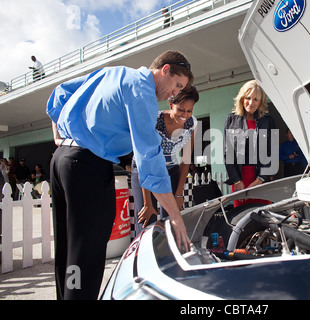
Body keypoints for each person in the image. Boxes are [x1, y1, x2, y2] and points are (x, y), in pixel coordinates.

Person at [46, 50, 193, 300]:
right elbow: (149, 157)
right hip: (86, 167)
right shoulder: (142, 91)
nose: (175, 94)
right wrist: (176, 217)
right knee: (86, 255)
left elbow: (60, 92)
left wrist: (58, 134)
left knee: (69, 250)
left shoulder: (112, 73)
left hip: (62, 161)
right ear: (165, 69)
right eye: (177, 85)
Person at [131, 86, 199, 234]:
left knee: (171, 218)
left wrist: (179, 194)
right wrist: (148, 203)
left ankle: (167, 253)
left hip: (170, 169)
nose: (185, 115)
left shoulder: (192, 124)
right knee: (147, 219)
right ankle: (144, 254)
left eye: (189, 110)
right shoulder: (154, 121)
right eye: (181, 109)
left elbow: (186, 160)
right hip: (144, 169)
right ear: (170, 104)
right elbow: (145, 159)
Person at [223, 80, 276, 207]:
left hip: (261, 179)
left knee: (264, 216)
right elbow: (228, 153)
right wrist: (237, 181)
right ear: (242, 98)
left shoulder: (268, 120)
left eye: (255, 99)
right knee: (241, 218)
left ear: (261, 101)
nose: (251, 103)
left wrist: (260, 180)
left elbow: (272, 153)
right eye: (248, 98)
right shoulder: (231, 119)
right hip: (240, 180)